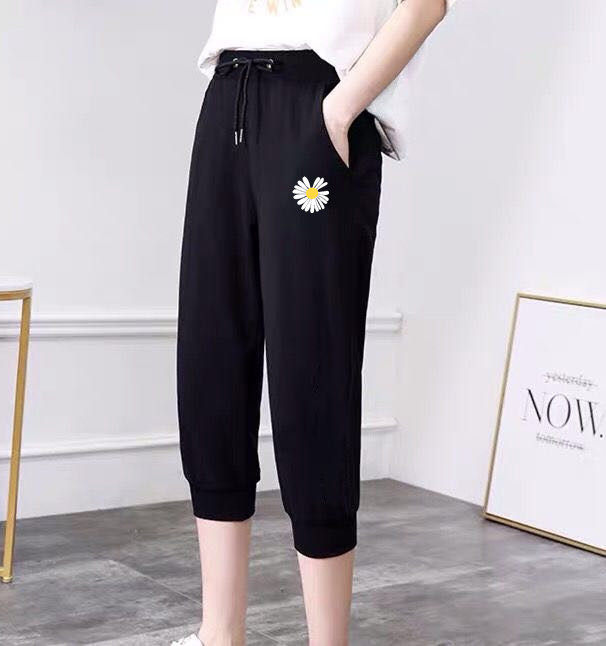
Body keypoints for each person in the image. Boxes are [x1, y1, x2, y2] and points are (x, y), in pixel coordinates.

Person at [174, 1, 457, 644]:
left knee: (313, 371)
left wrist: (339, 108)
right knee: (211, 363)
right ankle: (220, 634)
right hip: (227, 99)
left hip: (316, 102)